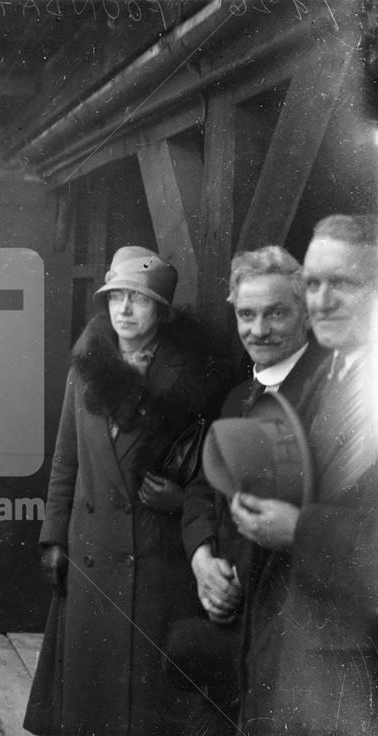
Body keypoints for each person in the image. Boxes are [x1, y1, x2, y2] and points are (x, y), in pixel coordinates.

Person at [23, 246, 230, 736]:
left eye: (138, 299)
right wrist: (54, 536)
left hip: (155, 554)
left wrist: (180, 503)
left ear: (160, 309)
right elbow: (65, 459)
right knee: (89, 702)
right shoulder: (86, 368)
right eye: (116, 297)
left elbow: (214, 469)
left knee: (144, 707)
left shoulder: (192, 376)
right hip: (92, 552)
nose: (124, 310)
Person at [230, 214, 378, 735]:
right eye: (312, 283)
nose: (320, 301)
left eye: (342, 282)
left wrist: (297, 529)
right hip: (296, 665)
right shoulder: (330, 374)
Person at [179, 246, 328, 733]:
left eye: (276, 313)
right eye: (246, 314)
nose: (258, 330)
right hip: (228, 632)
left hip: (297, 638)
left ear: (304, 312)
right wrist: (202, 558)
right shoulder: (238, 397)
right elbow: (203, 489)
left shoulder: (332, 393)